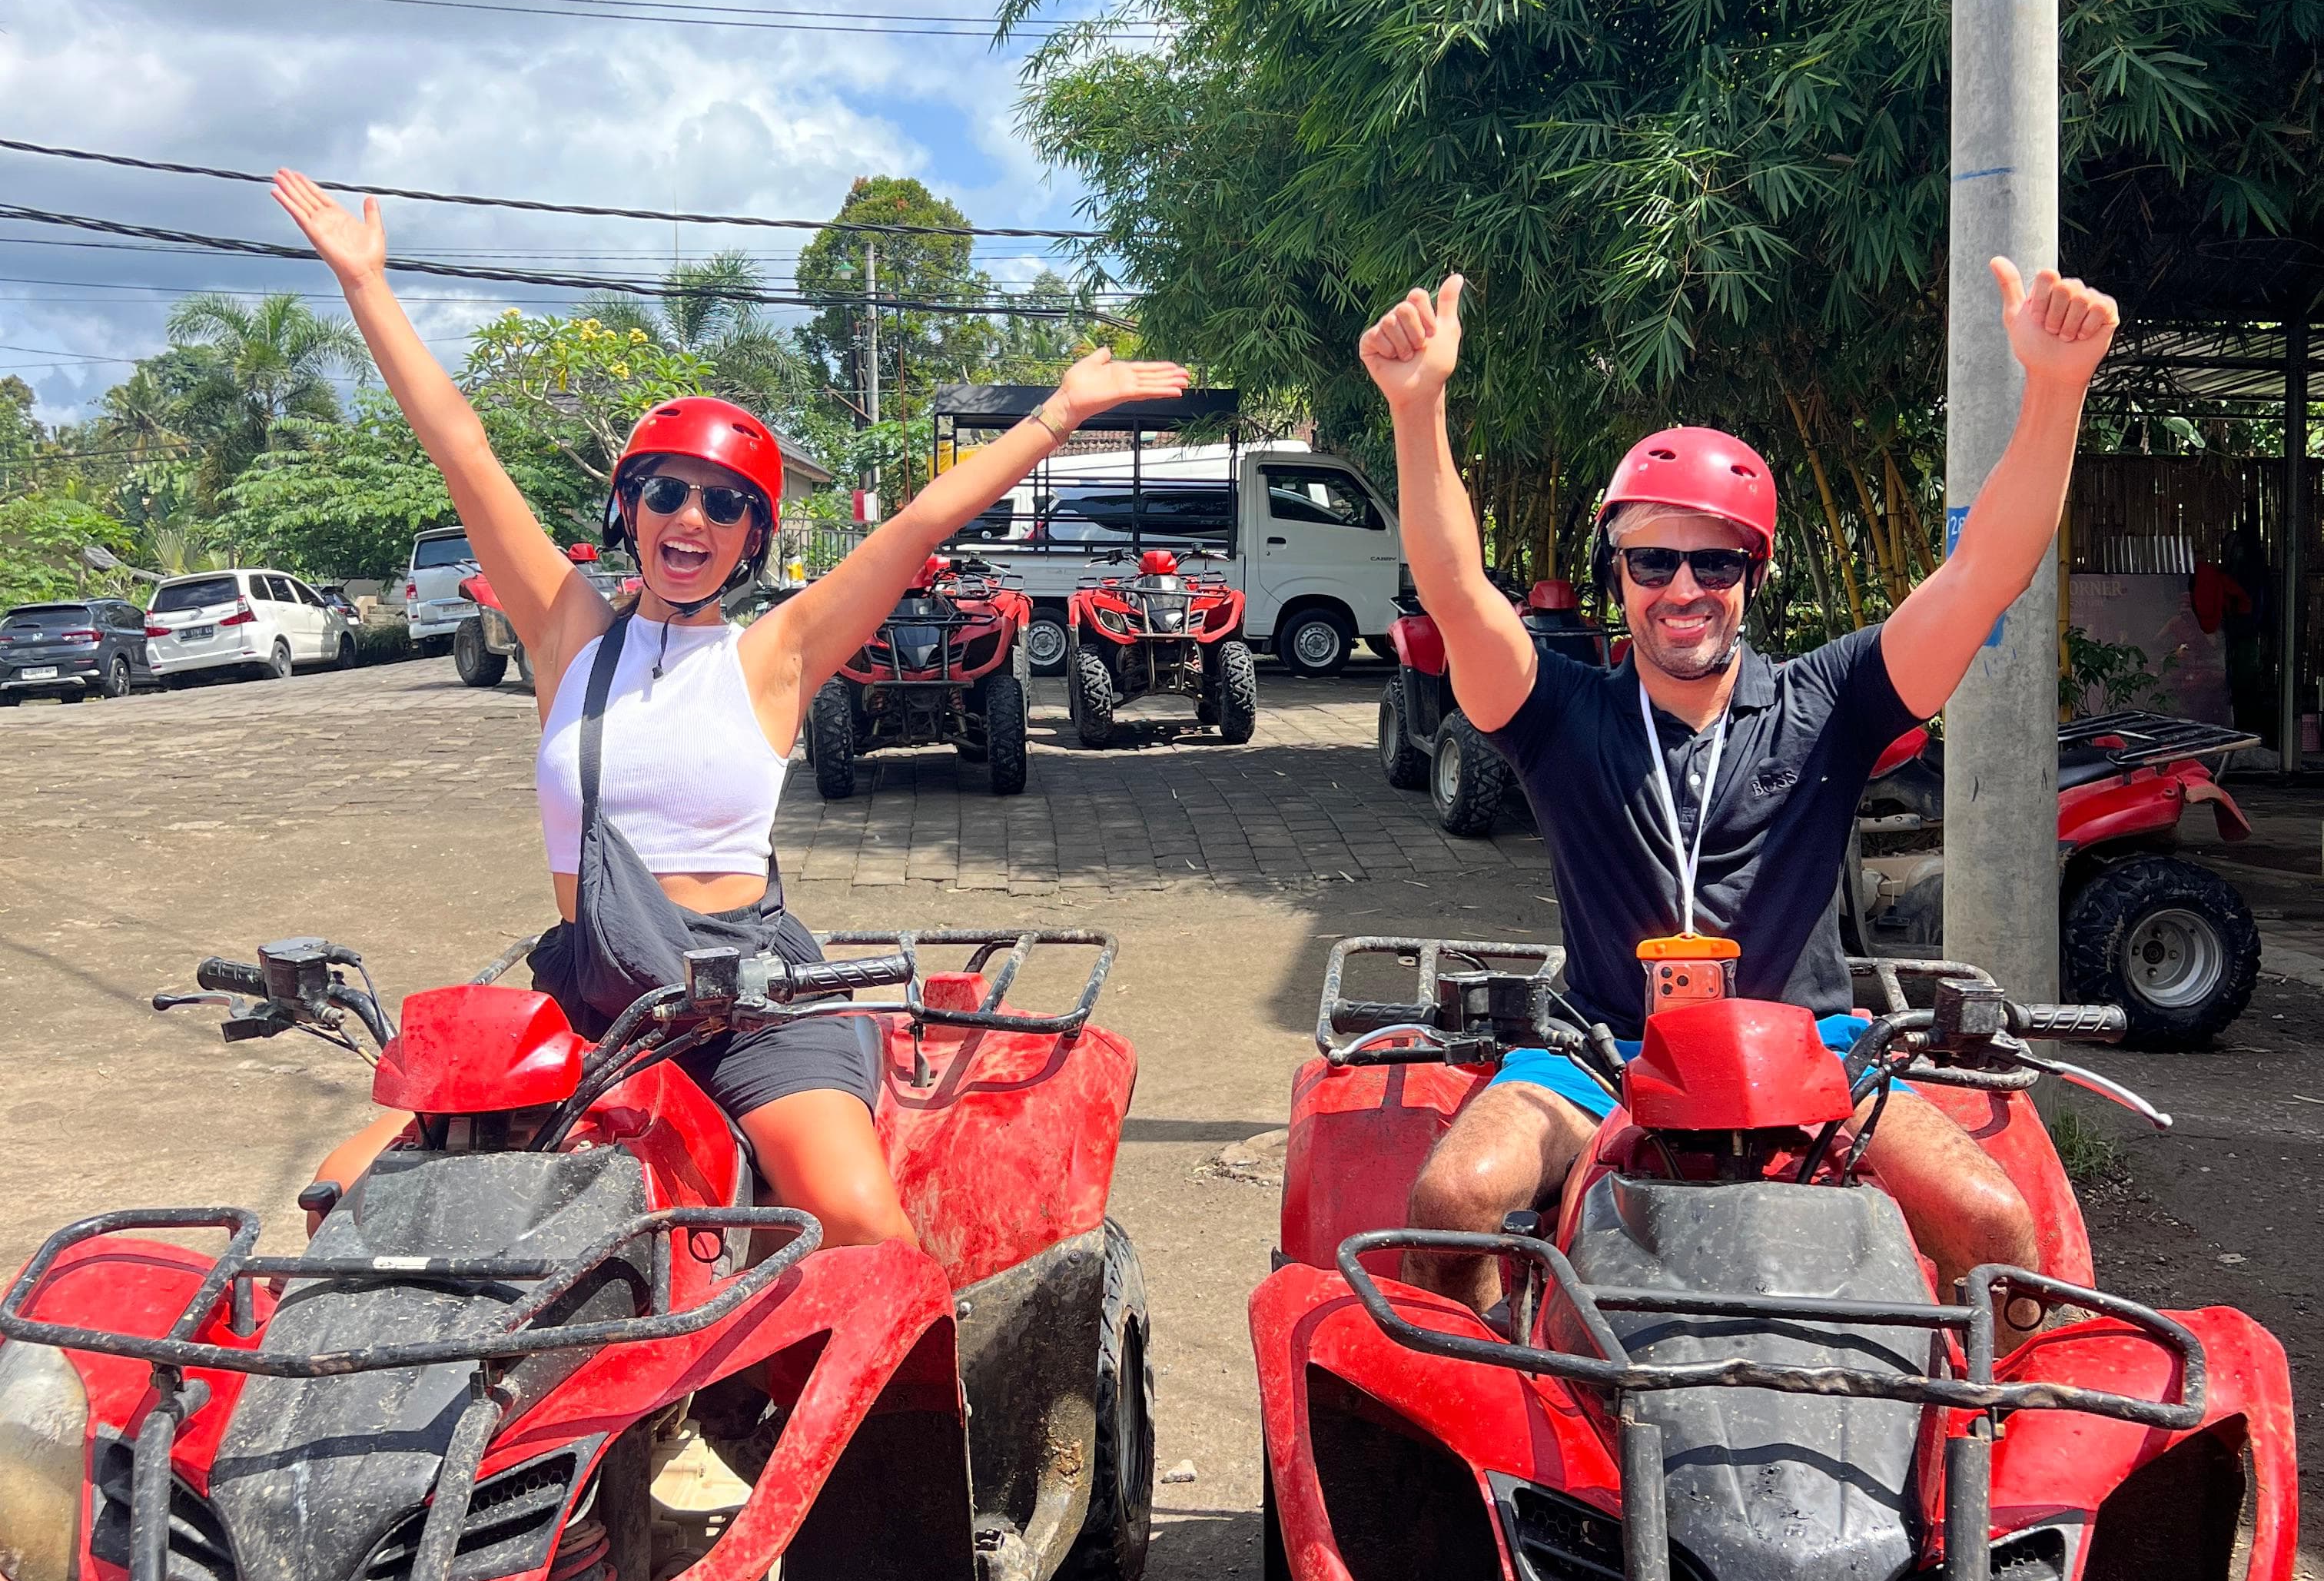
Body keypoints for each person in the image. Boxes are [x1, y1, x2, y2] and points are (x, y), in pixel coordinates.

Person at [276, 164, 1187, 1240]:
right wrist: (366, 286)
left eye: (722, 504)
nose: (690, 517)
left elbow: (913, 529)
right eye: (665, 490)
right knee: (353, 1194)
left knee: (855, 1218)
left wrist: (1058, 415)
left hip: (752, 997)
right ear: (631, 509)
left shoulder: (776, 655)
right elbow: (464, 452)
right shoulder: (570, 636)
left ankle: (916, 1404)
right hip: (595, 991)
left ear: (752, 537)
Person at [1358, 254, 2120, 1317]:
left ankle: (1982, 1461)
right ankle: (1505, 1433)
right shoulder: (1559, 713)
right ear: (1614, 575)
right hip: (1603, 1054)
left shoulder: (1830, 700)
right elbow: (1452, 583)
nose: (1683, 589)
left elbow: (1984, 571)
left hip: (1810, 1057)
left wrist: (2056, 388)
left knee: (1992, 1222)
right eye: (1652, 561)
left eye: (1715, 565)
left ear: (1753, 579)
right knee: (1450, 1199)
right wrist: (1417, 406)